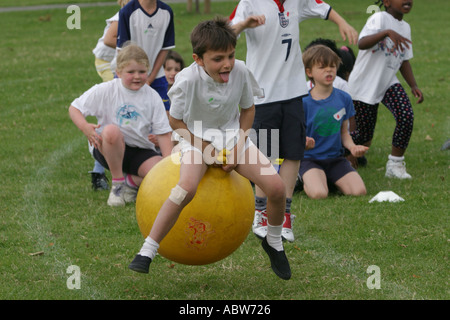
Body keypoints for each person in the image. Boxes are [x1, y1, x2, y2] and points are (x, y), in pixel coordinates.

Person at [129, 17, 292, 280]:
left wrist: (239, 146)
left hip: (232, 139)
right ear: (198, 59)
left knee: (276, 188)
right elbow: (174, 120)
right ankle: (148, 249)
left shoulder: (239, 71)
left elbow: (248, 109)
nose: (227, 63)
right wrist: (203, 147)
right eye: (218, 59)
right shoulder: (187, 80)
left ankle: (273, 242)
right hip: (195, 139)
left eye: (230, 55)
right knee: (186, 189)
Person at [230, 0, 358, 242]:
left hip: (294, 93)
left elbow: (323, 8)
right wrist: (244, 24)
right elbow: (225, 35)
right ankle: (261, 211)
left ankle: (284, 215)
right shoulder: (249, 2)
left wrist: (342, 22)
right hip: (264, 95)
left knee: (293, 153)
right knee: (265, 156)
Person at [69, 44, 173, 207]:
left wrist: (168, 166)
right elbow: (74, 108)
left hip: (140, 150)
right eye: (130, 72)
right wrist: (85, 127)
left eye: (142, 71)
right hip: (108, 147)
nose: (137, 76)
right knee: (111, 131)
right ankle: (117, 186)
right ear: (118, 72)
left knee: (160, 173)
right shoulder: (106, 90)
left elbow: (163, 134)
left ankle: (130, 183)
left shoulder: (152, 96)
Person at [348, 0, 424, 179]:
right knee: (363, 136)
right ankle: (342, 156)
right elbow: (362, 43)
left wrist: (413, 85)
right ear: (387, 2)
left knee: (406, 116)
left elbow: (404, 59)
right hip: (364, 84)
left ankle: (395, 164)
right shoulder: (379, 18)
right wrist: (387, 33)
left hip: (388, 81)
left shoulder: (405, 27)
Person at [300, 45, 368, 199]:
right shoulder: (303, 102)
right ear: (309, 72)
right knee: (319, 194)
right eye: (322, 67)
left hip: (336, 159)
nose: (328, 70)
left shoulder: (344, 98)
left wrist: (353, 148)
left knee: (359, 192)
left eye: (332, 66)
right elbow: (294, 134)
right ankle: (302, 179)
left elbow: (344, 133)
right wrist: (302, 141)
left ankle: (328, 179)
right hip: (310, 160)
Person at [90, 0, 131, 191]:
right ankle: (99, 170)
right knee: (116, 109)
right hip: (107, 62)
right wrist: (133, 43)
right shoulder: (122, 14)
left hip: (121, 64)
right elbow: (108, 39)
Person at [114, 0, 175, 111]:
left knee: (165, 116)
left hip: (156, 76)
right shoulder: (127, 11)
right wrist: (135, 75)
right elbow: (122, 52)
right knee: (126, 117)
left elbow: (164, 49)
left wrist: (150, 78)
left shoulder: (167, 11)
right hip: (130, 76)